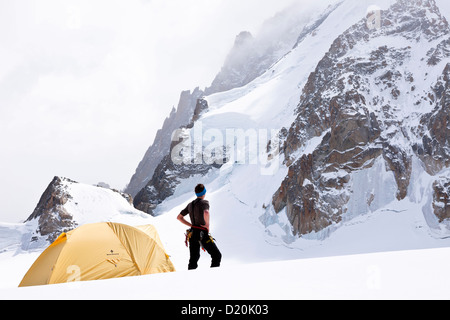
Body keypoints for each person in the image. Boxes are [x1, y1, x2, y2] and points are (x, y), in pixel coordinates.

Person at [177, 184, 222, 270]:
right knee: (216, 255)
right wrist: (207, 225)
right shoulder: (204, 203)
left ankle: (190, 278)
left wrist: (191, 225)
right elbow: (206, 212)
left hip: (193, 233)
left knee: (193, 259)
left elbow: (179, 217)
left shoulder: (190, 205)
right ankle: (213, 276)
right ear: (204, 192)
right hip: (202, 233)